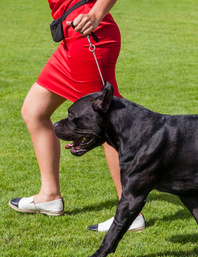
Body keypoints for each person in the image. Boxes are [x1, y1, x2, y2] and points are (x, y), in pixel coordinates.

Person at [9, 0, 145, 232]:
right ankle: (49, 195)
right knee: (34, 111)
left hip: (89, 35)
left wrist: (96, 13)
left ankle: (130, 213)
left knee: (108, 126)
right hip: (70, 38)